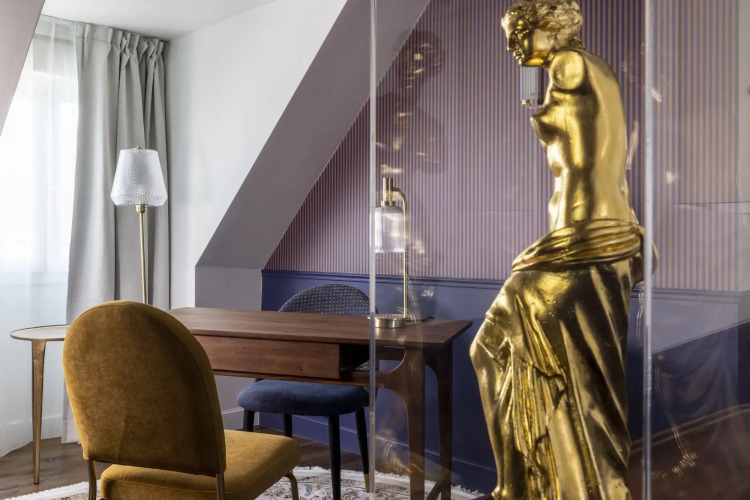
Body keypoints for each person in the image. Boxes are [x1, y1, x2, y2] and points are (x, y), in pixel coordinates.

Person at [470, 1, 651, 498]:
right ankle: (557, 484)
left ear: (549, 27)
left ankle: (514, 489)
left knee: (490, 350)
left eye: (519, 34)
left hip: (583, 242)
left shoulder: (568, 63)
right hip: (594, 237)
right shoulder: (596, 71)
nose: (513, 46)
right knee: (584, 380)